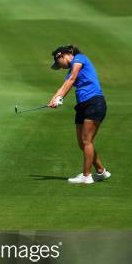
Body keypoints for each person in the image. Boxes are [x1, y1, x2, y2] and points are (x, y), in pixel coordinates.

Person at [48, 44, 111, 184]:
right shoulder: (70, 70)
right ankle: (101, 172)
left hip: (94, 103)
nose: (61, 67)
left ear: (62, 56)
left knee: (87, 140)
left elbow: (71, 79)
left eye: (59, 64)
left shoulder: (80, 59)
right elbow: (65, 85)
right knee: (82, 143)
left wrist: (60, 97)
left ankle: (86, 176)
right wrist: (53, 99)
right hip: (82, 106)